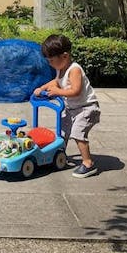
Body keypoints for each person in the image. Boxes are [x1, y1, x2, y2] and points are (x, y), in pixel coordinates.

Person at [34, 34, 100, 178]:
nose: (50, 63)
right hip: (72, 109)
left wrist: (58, 92)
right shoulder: (61, 68)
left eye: (52, 60)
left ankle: (88, 164)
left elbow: (75, 91)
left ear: (64, 56)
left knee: (77, 133)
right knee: (62, 131)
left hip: (87, 108)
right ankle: (58, 156)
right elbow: (56, 82)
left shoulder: (74, 69)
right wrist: (42, 88)